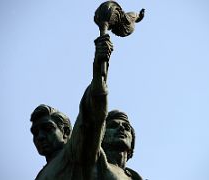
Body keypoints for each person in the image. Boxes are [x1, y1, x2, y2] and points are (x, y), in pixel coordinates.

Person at [30, 34, 142, 179]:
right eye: (35, 132)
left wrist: (100, 70)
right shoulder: (48, 171)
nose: (40, 137)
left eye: (47, 128)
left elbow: (92, 113)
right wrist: (99, 68)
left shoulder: (76, 154)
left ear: (65, 132)